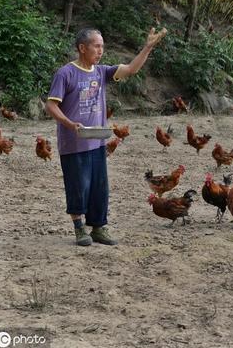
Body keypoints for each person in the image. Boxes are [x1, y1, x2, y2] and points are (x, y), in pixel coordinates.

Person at [45, 27, 167, 246]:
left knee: (99, 187)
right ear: (82, 48)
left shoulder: (101, 72)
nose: (101, 50)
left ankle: (98, 228)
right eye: (96, 46)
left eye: (102, 46)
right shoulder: (66, 73)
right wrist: (69, 123)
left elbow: (131, 69)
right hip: (73, 143)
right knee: (78, 186)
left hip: (97, 141)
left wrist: (148, 47)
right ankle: (79, 228)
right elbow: (51, 105)